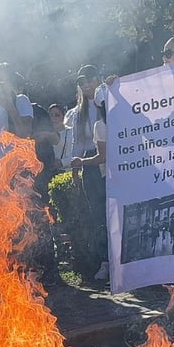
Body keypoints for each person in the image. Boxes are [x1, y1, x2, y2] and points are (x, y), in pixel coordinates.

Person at [70, 80, 112, 282]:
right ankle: (105, 261)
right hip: (95, 169)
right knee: (99, 216)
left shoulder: (118, 117)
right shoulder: (78, 114)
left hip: (109, 168)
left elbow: (102, 155)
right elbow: (77, 144)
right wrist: (77, 168)